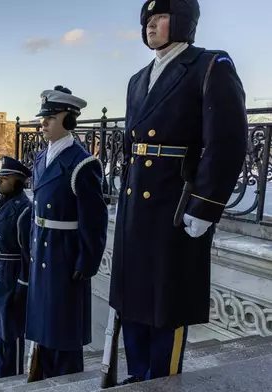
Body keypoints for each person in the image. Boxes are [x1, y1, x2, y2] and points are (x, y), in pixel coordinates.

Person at [109, 0, 248, 385]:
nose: (151, 27)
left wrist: (205, 205)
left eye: (161, 18)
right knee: (133, 301)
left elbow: (227, 141)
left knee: (166, 304)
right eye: (148, 21)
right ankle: (138, 376)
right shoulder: (138, 79)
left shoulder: (209, 66)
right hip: (137, 206)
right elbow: (129, 144)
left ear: (184, 21)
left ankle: (162, 380)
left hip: (176, 203)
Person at [26, 85, 108, 381]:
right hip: (43, 252)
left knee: (64, 332)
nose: (43, 123)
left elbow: (95, 221)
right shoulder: (40, 158)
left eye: (51, 116)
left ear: (69, 120)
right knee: (44, 329)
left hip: (64, 255)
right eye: (43, 117)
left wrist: (87, 262)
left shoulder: (82, 163)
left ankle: (66, 383)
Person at [0, 156, 32, 381]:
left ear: (18, 181)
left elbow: (27, 254)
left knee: (11, 334)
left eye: (5, 177)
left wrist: (22, 285)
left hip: (11, 276)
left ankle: (11, 379)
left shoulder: (24, 210)